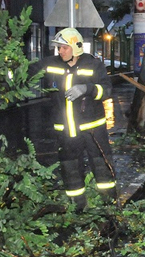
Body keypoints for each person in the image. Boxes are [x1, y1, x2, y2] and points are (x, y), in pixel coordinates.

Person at [29, 28, 116, 211]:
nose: (60, 51)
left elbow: (107, 90)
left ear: (76, 47)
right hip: (66, 130)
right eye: (58, 48)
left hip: (92, 129)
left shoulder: (93, 65)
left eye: (63, 47)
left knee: (101, 166)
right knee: (70, 170)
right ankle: (77, 208)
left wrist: (87, 89)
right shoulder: (50, 64)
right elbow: (27, 72)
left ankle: (110, 205)